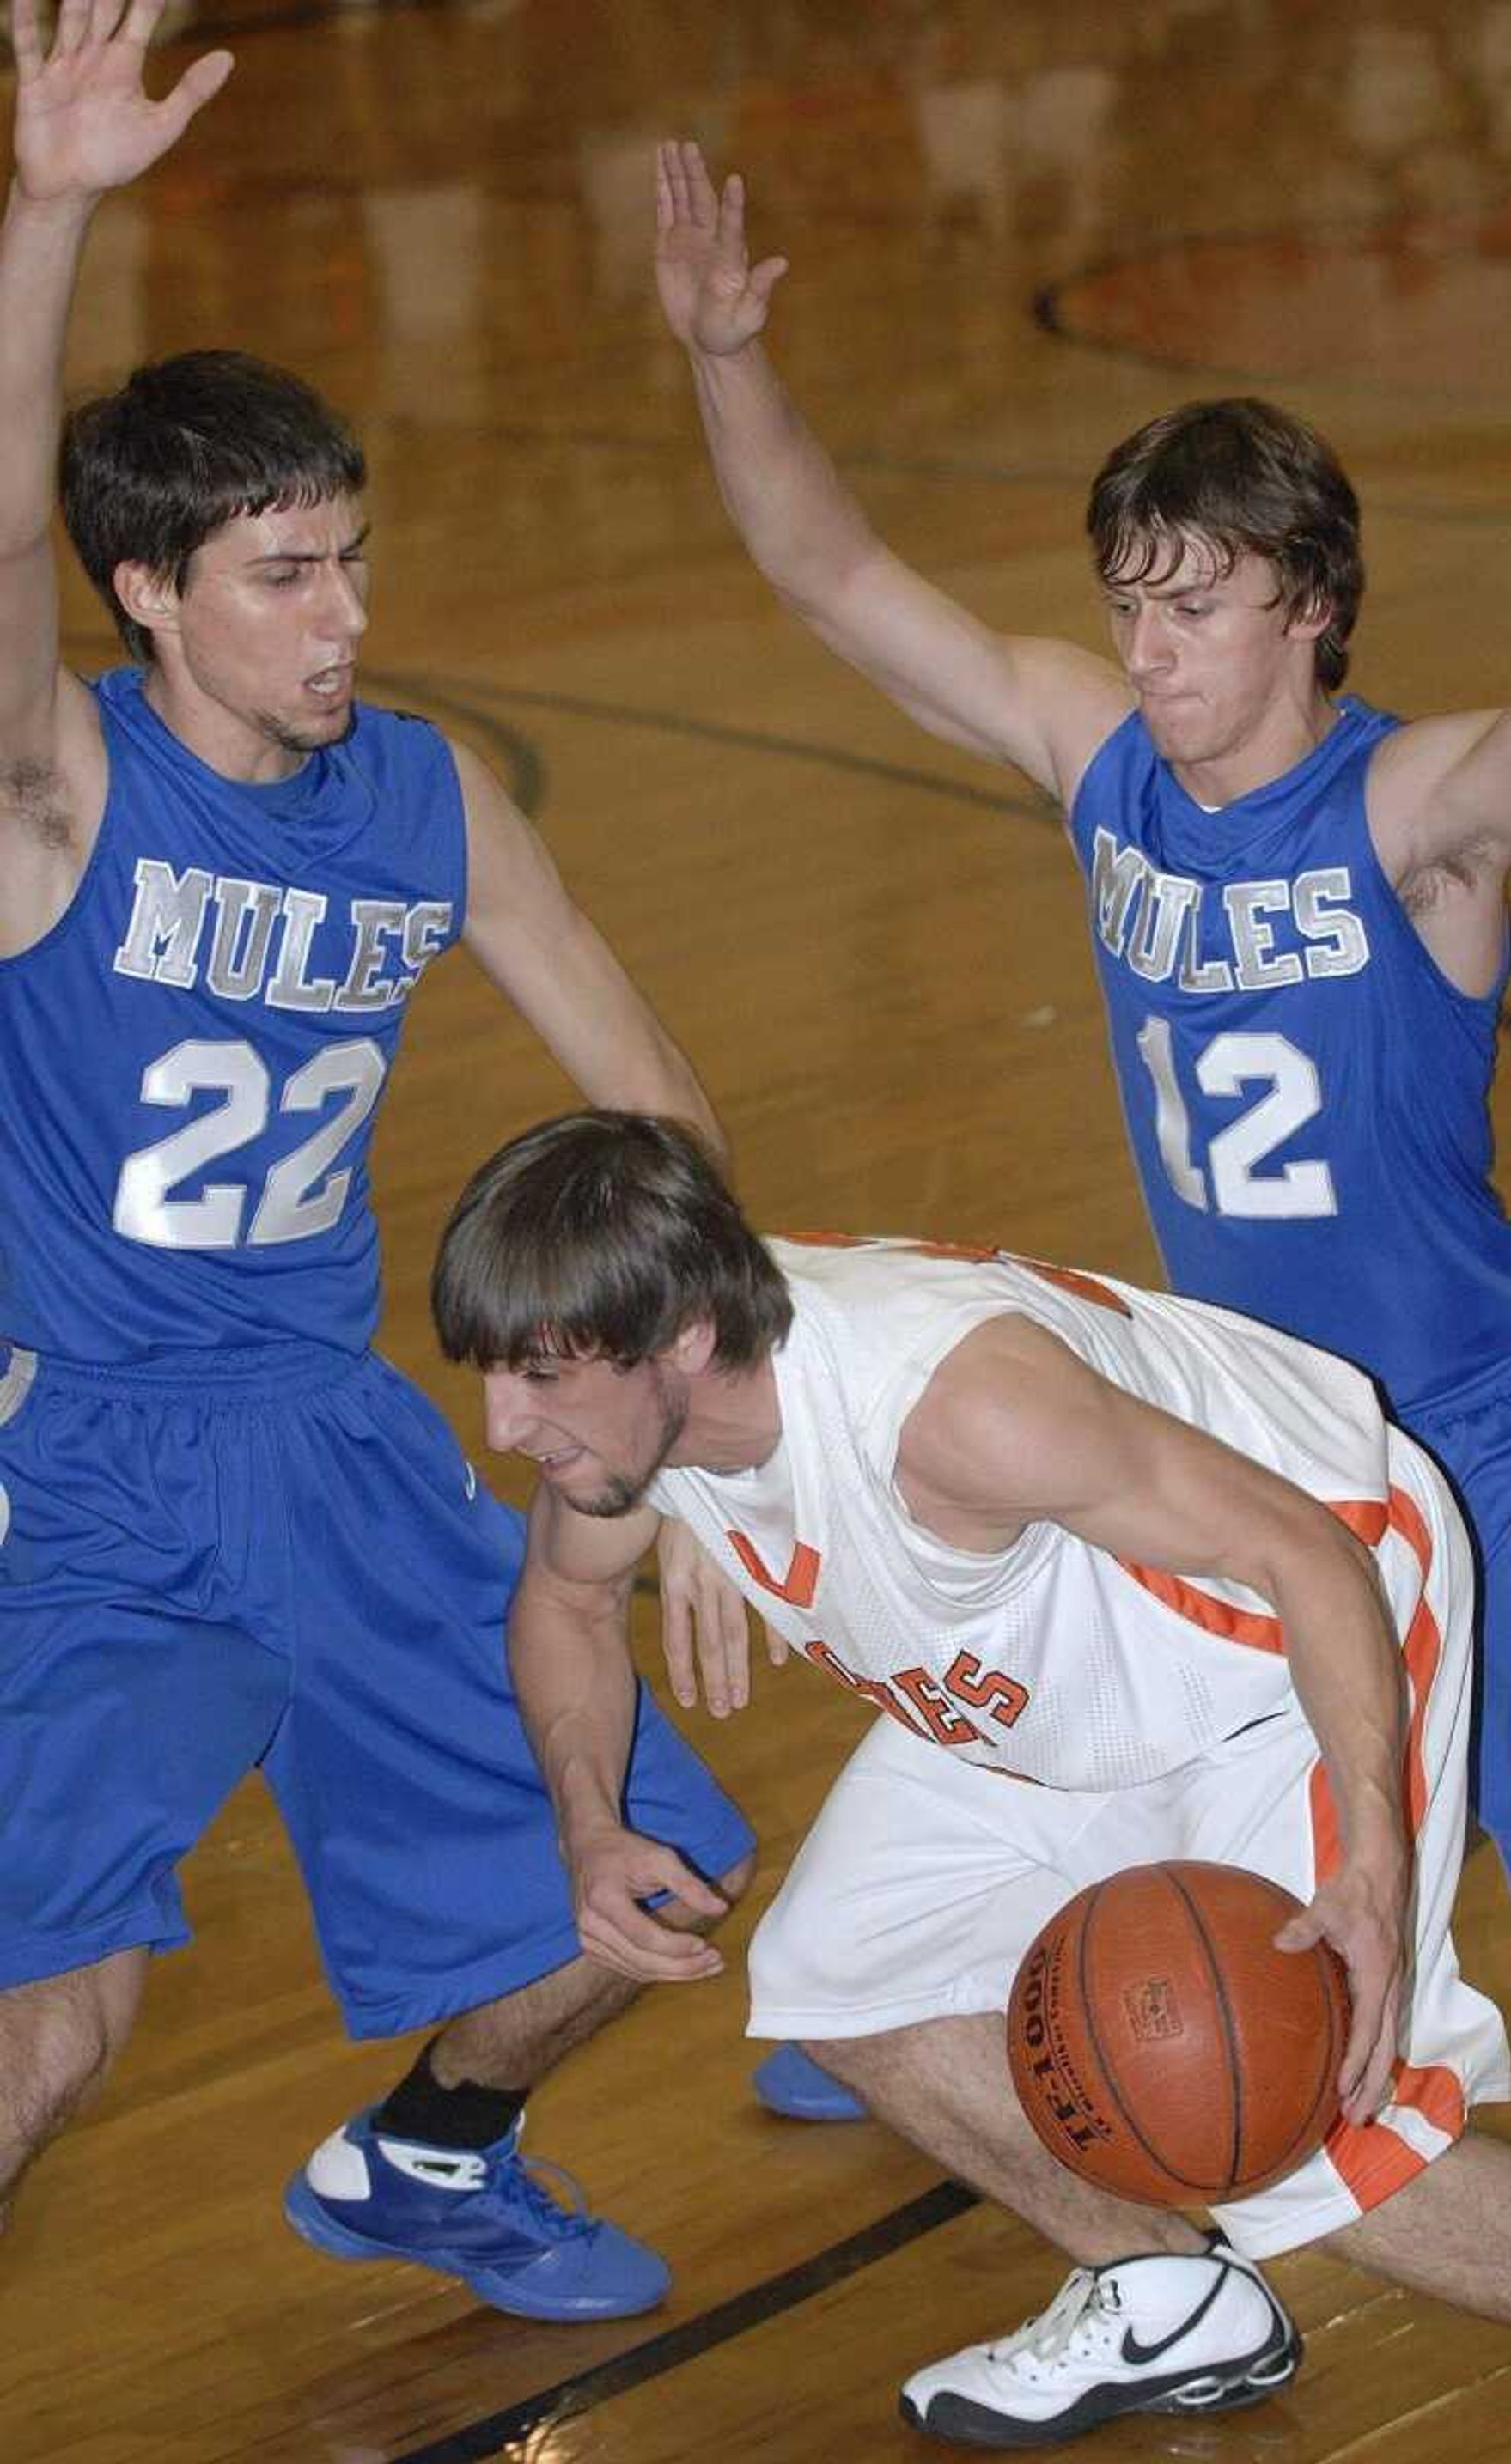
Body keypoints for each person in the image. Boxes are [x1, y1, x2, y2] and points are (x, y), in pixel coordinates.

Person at [0, 1, 804, 2326]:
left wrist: (697, 1434)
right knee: (53, 2016)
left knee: (650, 1866)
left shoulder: (428, 798)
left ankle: (431, 2145)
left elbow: (662, 1111)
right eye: (283, 574)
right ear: (146, 590)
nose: (347, 617)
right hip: (95, 1472)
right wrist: (50, 207)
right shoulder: (57, 795)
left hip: (341, 1437)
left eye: (352, 559)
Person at [649, 139, 1511, 1970]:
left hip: (1471, 1409)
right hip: (1240, 1409)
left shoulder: (1415, 811)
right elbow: (832, 571)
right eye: (1129, 603)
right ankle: (936, 1964)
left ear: (1312, 605)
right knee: (1139, 1716)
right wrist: (727, 352)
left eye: (1192, 608)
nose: (1146, 647)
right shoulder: (1098, 759)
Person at [429, 1107, 1511, 2444]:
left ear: (687, 1342)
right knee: (844, 1967)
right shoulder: (644, 1423)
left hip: (1274, 1634)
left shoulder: (953, 1409)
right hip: (1058, 1656)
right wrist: (591, 1826)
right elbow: (564, 1603)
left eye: (540, 1376)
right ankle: (1168, 2290)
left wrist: (1373, 1853)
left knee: (1319, 2139)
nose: (504, 1423)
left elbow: (1307, 1555)